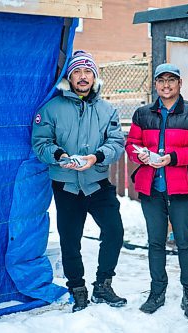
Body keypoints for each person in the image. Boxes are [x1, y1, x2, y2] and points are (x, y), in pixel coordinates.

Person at [31, 50, 127, 312]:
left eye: (88, 72)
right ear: (69, 76)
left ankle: (103, 285)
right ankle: (77, 287)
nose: (83, 77)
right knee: (70, 238)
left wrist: (97, 157)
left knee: (115, 231)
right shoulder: (51, 108)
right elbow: (40, 143)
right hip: (67, 185)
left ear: (95, 76)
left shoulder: (107, 109)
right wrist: (60, 155)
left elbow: (117, 142)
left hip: (98, 183)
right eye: (77, 72)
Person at [125, 63, 188, 320]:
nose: (166, 85)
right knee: (155, 242)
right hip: (151, 189)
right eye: (161, 80)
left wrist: (172, 158)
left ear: (179, 84)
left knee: (185, 242)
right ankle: (157, 291)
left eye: (171, 80)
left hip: (181, 189)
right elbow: (131, 144)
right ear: (155, 84)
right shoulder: (143, 114)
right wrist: (141, 155)